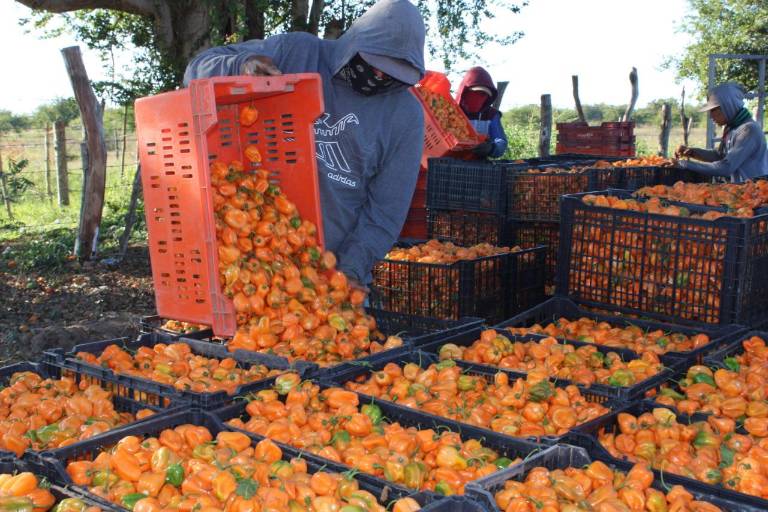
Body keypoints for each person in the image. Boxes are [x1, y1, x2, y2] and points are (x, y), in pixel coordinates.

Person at [184, 0, 426, 290]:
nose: (379, 77)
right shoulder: (297, 53)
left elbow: (385, 212)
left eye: (391, 74)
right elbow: (195, 70)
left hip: (327, 279)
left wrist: (350, 271)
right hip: (251, 266)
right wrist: (240, 65)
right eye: (374, 66)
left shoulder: (405, 116)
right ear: (353, 45)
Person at [674, 82, 768, 182]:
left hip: (753, 192)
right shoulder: (731, 128)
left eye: (714, 110)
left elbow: (726, 167)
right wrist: (692, 152)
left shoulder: (748, 130)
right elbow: (720, 156)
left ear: (728, 106)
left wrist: (684, 164)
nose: (711, 116)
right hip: (736, 189)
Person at [456, 66, 508, 158]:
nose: (479, 98)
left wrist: (491, 148)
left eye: (484, 95)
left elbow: (500, 141)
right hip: (448, 163)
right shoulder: (451, 110)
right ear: (465, 92)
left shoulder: (491, 115)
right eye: (475, 93)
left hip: (478, 165)